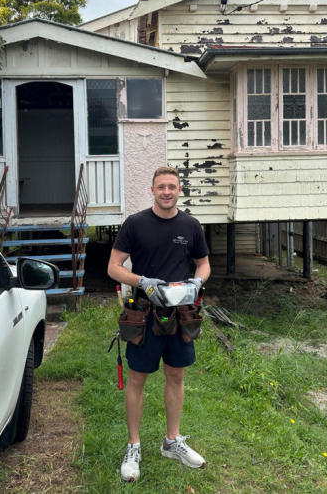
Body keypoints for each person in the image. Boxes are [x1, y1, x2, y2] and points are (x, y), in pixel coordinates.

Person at [107, 166, 211, 481]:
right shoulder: (135, 225)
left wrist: (196, 283)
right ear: (152, 189)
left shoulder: (191, 226)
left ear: (180, 190)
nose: (167, 192)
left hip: (181, 316)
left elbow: (203, 264)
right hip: (144, 314)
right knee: (137, 380)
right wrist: (142, 281)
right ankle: (134, 446)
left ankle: (171, 441)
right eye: (161, 186)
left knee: (176, 377)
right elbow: (113, 266)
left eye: (172, 186)